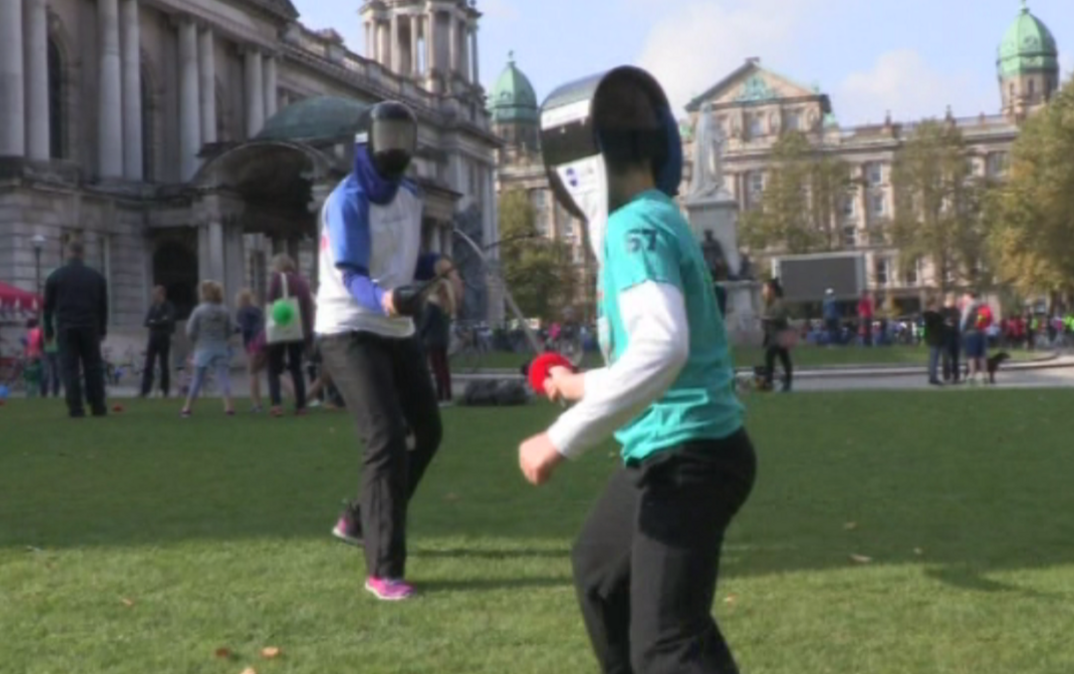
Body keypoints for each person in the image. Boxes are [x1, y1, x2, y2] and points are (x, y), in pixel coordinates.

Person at [517, 70, 756, 674]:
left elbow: (662, 350)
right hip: (671, 450)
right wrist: (578, 385)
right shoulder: (658, 214)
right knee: (602, 575)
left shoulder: (633, 229)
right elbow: (651, 361)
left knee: (668, 643)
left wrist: (559, 438)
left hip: (690, 457)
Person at [316, 100, 462, 601]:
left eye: (404, 135)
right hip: (349, 326)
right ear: (366, 142)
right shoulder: (347, 201)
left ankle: (360, 517)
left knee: (429, 430)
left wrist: (438, 265)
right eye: (387, 136)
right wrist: (384, 298)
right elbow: (352, 273)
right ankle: (383, 570)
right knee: (385, 439)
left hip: (395, 329)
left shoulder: (411, 194)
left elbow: (404, 257)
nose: (396, 146)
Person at [43, 239, 109, 418]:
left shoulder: (56, 277)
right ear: (83, 254)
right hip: (89, 326)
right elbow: (103, 306)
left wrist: (48, 330)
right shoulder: (96, 277)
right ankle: (97, 405)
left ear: (68, 254)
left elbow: (47, 307)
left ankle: (75, 407)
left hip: (66, 327)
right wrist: (102, 329)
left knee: (69, 368)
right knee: (93, 367)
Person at [265, 254, 315, 417]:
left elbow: (270, 302)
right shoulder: (302, 282)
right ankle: (301, 405)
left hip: (280, 327)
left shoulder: (277, 279)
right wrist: (308, 332)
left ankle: (276, 404)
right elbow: (308, 307)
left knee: (273, 368)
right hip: (298, 329)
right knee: (296, 368)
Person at [180, 280, 235, 417]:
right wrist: (223, 338)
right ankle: (228, 407)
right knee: (223, 378)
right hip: (221, 347)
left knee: (197, 379)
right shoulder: (224, 310)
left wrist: (195, 340)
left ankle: (187, 408)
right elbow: (230, 329)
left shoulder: (199, 310)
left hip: (203, 347)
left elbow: (190, 330)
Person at [416, 279, 455, 406]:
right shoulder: (448, 305)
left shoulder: (432, 305)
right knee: (444, 368)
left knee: (436, 368)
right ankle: (448, 394)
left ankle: (440, 395)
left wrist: (419, 335)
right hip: (443, 340)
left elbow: (426, 323)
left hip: (432, 340)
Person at [140, 285, 176, 398]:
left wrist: (154, 322)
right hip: (153, 338)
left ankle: (165, 390)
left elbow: (169, 320)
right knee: (148, 364)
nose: (154, 297)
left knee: (163, 364)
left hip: (164, 338)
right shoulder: (153, 307)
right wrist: (159, 321)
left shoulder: (168, 306)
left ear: (161, 295)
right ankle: (145, 390)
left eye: (156, 295)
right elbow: (146, 322)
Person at [235, 288, 266, 413]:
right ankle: (297, 397)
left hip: (252, 344)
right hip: (264, 340)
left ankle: (256, 403)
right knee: (273, 372)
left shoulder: (242, 312)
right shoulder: (258, 311)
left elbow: (246, 329)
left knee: (252, 373)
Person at [761, 278, 793, 392]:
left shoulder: (779, 302)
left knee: (773, 356)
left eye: (765, 288)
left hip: (780, 334)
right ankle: (785, 381)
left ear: (772, 289)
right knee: (781, 357)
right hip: (774, 334)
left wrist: (766, 319)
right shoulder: (770, 303)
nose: (763, 291)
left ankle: (770, 380)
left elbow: (780, 317)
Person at [960, 292, 992, 385]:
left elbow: (963, 322)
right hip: (982, 332)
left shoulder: (968, 307)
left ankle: (972, 376)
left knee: (971, 356)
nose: (964, 299)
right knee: (982, 355)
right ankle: (985, 376)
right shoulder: (983, 306)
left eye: (965, 297)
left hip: (971, 333)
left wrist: (962, 331)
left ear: (970, 297)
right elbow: (989, 319)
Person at [922, 296, 945, 386]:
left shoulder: (934, 315)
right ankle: (933, 377)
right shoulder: (930, 315)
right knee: (933, 359)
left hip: (936, 338)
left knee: (934, 359)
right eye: (935, 304)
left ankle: (933, 376)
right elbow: (933, 326)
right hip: (934, 338)